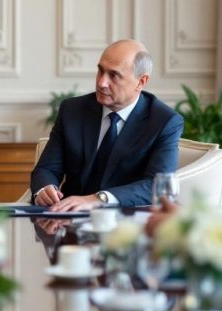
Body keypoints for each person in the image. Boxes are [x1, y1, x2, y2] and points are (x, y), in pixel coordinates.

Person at [31, 39, 183, 211]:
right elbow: (47, 168)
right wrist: (45, 189)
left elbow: (156, 185)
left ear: (141, 82)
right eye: (100, 71)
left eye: (114, 75)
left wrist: (98, 199)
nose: (101, 82)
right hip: (68, 221)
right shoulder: (72, 110)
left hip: (127, 225)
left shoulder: (164, 122)